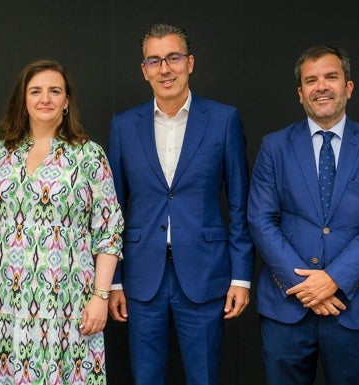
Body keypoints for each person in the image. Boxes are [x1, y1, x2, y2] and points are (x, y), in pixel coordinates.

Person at [107, 23, 254, 385]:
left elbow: (239, 204)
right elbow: (112, 210)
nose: (165, 68)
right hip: (142, 278)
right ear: (144, 70)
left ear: (189, 63)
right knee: (146, 378)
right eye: (154, 60)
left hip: (205, 273)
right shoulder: (124, 126)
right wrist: (114, 282)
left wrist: (241, 277)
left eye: (173, 58)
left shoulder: (223, 120)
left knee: (204, 377)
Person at [248, 45, 359, 385]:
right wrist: (305, 285)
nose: (321, 87)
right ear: (300, 94)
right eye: (311, 80)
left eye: (331, 77)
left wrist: (333, 280)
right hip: (287, 306)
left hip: (355, 305)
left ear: (348, 87)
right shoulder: (274, 146)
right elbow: (260, 219)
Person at [0, 59, 124, 385]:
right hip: (2, 295)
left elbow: (109, 229)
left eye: (55, 91)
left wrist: (100, 296)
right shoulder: (1, 153)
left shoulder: (88, 155)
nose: (45, 99)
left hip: (65, 294)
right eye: (36, 91)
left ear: (67, 101)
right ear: (23, 100)